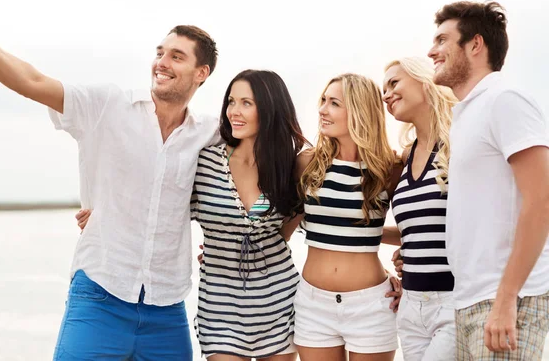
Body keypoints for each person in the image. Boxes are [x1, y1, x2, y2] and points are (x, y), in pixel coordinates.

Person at [0, 0, 220, 360]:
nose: (161, 63)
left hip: (167, 308)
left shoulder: (208, 134)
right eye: (160, 52)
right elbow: (32, 82)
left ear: (201, 73)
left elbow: (261, 177)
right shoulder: (107, 106)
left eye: (176, 57)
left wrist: (236, 238)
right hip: (100, 295)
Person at [428, 0, 549, 359]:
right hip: (471, 300)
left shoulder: (504, 99)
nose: (431, 50)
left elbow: (542, 199)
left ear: (475, 45)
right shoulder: (467, 113)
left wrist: (506, 298)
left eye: (442, 40)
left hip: (507, 301)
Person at [191, 69, 306, 360]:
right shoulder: (204, 161)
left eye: (246, 103)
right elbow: (161, 205)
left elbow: (289, 226)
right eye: (231, 101)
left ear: (269, 108)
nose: (234, 112)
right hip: (220, 305)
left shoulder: (291, 167)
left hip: (280, 300)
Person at [292, 73, 402, 361]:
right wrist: (233, 241)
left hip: (372, 304)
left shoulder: (390, 167)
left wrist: (412, 279)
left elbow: (415, 229)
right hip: (313, 305)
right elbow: (266, 206)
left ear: (359, 110)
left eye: (334, 103)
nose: (322, 109)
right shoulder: (307, 162)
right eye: (323, 101)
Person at [382, 56, 458, 360]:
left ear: (425, 81)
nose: (386, 94)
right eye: (383, 89)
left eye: (394, 83)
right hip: (411, 305)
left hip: (453, 301)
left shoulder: (459, 143)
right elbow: (415, 230)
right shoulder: (403, 157)